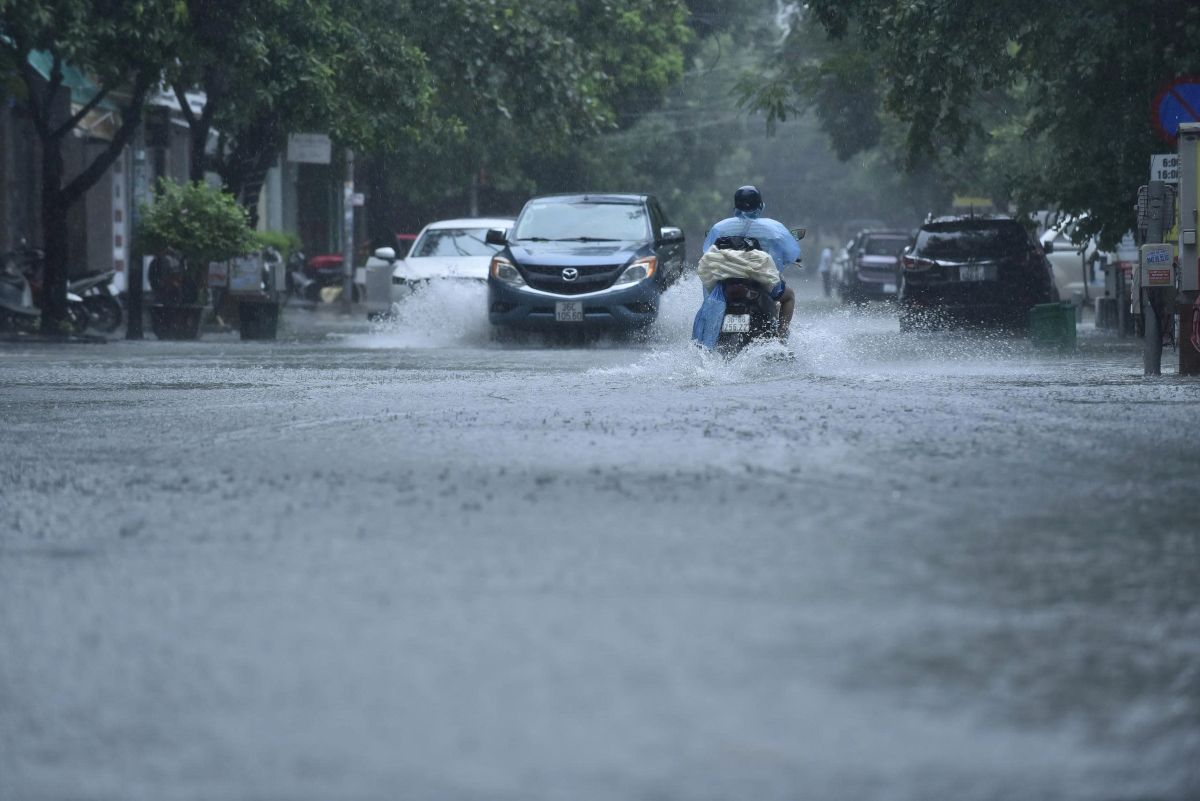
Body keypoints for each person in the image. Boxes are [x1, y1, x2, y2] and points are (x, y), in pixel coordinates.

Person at [702, 185, 800, 340]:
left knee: (710, 297)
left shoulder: (719, 228)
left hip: (727, 285)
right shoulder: (774, 228)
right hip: (760, 282)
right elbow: (791, 253)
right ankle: (781, 338)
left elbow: (707, 253)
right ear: (760, 205)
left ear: (736, 206)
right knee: (789, 296)